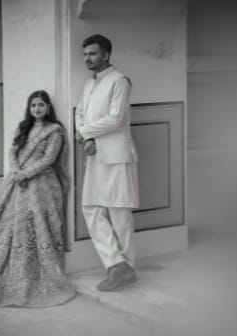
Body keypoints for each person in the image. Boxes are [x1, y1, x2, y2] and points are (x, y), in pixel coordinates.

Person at [0, 90, 76, 307]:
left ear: (48, 107)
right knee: (10, 226)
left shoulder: (55, 131)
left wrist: (25, 174)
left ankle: (33, 273)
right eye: (33, 105)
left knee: (34, 225)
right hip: (17, 183)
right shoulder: (23, 128)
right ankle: (4, 272)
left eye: (41, 105)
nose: (37, 109)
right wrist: (15, 172)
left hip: (40, 184)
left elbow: (48, 160)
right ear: (29, 108)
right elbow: (12, 152)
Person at [76, 34, 139, 291]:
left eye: (92, 53)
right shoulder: (89, 83)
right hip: (95, 155)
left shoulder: (119, 81)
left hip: (117, 156)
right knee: (90, 207)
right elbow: (80, 113)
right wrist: (87, 138)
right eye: (85, 54)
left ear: (106, 54)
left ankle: (127, 269)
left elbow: (115, 118)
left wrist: (85, 133)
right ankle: (116, 264)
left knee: (119, 214)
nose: (87, 58)